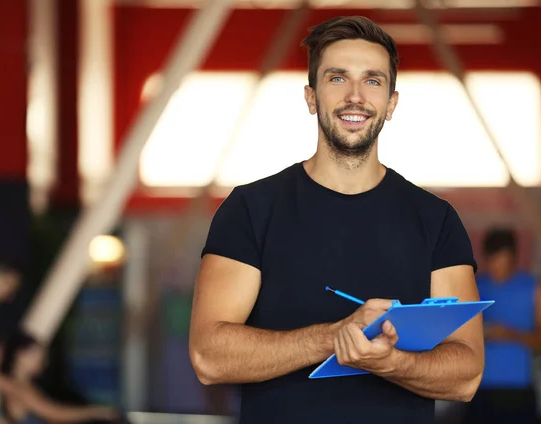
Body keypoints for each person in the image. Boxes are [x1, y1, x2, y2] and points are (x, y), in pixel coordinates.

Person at [189, 15, 484, 424]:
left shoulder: (436, 221)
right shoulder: (250, 210)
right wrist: (336, 336)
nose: (355, 96)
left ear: (391, 104)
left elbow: (466, 374)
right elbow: (208, 356)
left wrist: (387, 362)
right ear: (311, 98)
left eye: (373, 81)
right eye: (337, 78)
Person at [465, 228, 541, 423]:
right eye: (494, 263)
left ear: (514, 259)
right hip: (477, 389)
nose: (499, 271)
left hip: (518, 390)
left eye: (504, 264)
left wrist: (509, 334)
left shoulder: (537, 289)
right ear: (486, 259)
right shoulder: (473, 286)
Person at [0, 330, 117, 423]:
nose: (41, 361)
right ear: (19, 355)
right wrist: (95, 411)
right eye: (36, 356)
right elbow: (54, 413)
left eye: (43, 357)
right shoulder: (18, 388)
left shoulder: (19, 384)